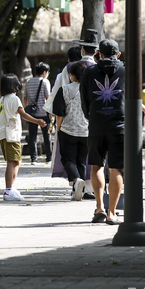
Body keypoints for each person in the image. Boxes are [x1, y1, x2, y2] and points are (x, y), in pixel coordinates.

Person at [79, 39, 126, 225]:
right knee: (116, 168)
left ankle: (99, 208)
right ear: (118, 54)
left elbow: (84, 99)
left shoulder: (89, 71)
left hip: (97, 124)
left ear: (99, 54)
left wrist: (90, 117)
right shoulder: (125, 70)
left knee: (96, 165)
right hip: (120, 126)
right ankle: (112, 212)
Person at [0, 73, 45, 201]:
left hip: (3, 134)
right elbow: (23, 114)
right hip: (12, 134)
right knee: (13, 162)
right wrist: (37, 121)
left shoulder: (2, 99)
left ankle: (11, 188)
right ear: (14, 86)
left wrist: (2, 125)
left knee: (15, 161)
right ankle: (8, 190)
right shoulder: (14, 99)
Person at [52, 62, 89, 201]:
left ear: (72, 75)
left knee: (68, 159)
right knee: (81, 161)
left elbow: (59, 113)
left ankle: (76, 180)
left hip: (68, 130)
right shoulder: (90, 90)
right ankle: (79, 190)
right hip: (86, 131)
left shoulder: (65, 89)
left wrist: (59, 127)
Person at [23, 62, 51, 164]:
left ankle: (33, 159)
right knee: (47, 136)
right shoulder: (45, 82)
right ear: (44, 72)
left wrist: (27, 110)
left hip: (32, 115)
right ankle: (49, 158)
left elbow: (25, 98)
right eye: (48, 72)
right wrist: (50, 111)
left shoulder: (28, 82)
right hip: (44, 113)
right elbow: (48, 98)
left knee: (32, 136)